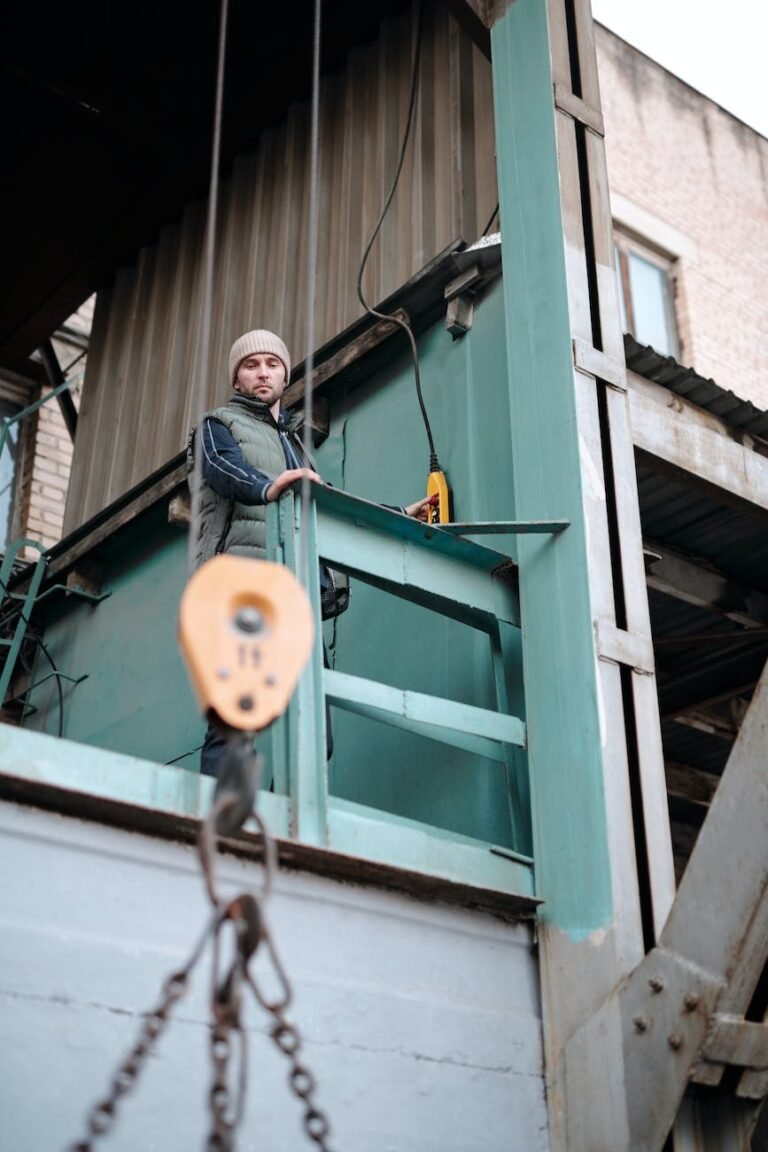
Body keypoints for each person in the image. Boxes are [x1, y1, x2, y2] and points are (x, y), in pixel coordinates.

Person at [191, 328, 434, 777]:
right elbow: (225, 471)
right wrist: (269, 487)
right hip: (243, 582)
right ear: (237, 378)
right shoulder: (217, 424)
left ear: (285, 374)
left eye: (272, 364)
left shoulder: (296, 444)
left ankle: (291, 834)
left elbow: (331, 510)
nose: (263, 372)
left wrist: (399, 514)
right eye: (251, 365)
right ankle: (219, 820)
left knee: (315, 733)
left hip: (294, 593)